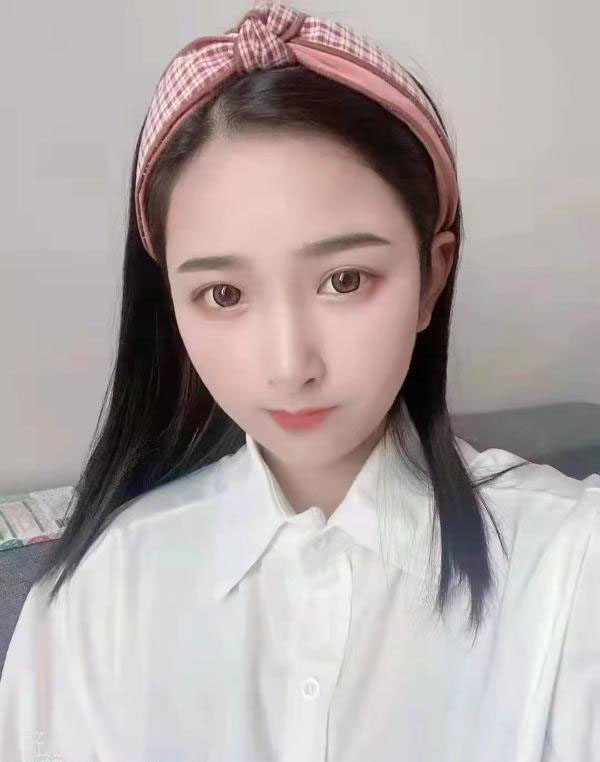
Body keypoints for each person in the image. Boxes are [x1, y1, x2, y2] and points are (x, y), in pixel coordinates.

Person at [1, 2, 598, 760]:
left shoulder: (572, 571)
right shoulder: (95, 596)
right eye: (223, 294)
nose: (290, 367)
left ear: (431, 277)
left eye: (345, 280)